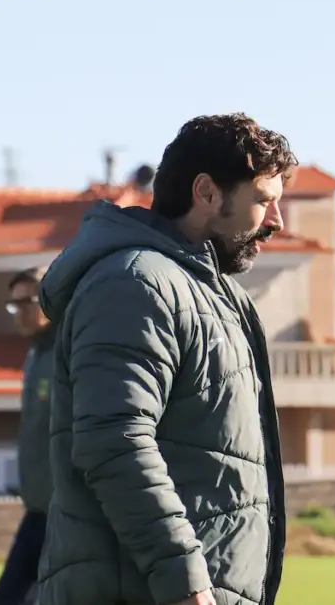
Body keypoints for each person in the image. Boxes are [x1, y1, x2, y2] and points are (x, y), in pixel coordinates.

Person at [36, 113, 294, 605]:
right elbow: (115, 442)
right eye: (264, 201)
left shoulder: (216, 295)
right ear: (207, 193)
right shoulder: (134, 284)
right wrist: (184, 578)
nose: (277, 222)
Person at [0, 266, 56, 605]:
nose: (19, 313)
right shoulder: (34, 356)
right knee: (7, 598)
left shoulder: (68, 351)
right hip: (37, 509)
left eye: (27, 302)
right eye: (13, 305)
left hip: (66, 511)